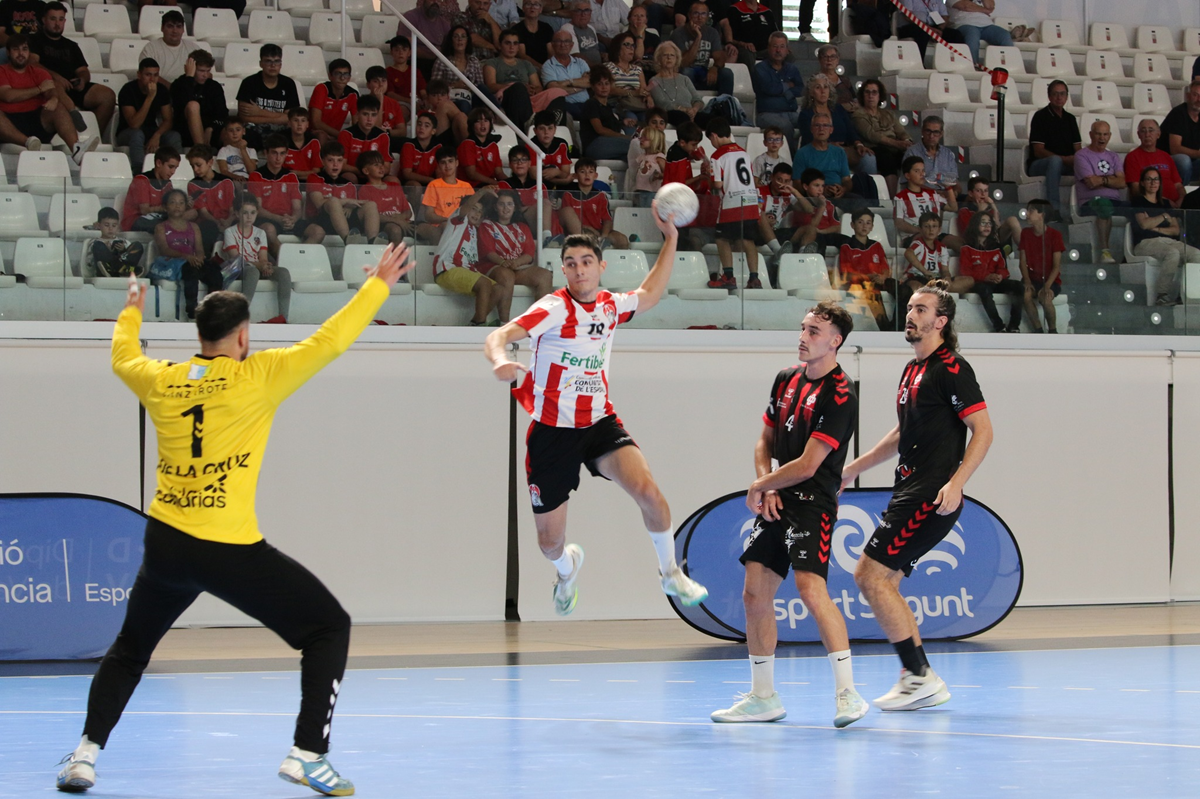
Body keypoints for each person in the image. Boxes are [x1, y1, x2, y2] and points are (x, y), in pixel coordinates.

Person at [53, 241, 411, 796]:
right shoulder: (258, 376)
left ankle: (84, 756)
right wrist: (379, 283)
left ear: (200, 336)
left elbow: (122, 357)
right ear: (243, 336)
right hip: (226, 550)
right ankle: (308, 754)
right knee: (327, 627)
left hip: (166, 545)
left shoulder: (162, 379)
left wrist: (131, 306)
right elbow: (331, 339)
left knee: (129, 650)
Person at [483, 209, 708, 616]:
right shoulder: (553, 308)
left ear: (601, 267)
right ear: (564, 271)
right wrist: (500, 359)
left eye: (586, 262)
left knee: (649, 494)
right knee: (549, 543)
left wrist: (671, 238)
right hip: (552, 432)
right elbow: (498, 334)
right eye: (570, 264)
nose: (579, 270)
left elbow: (651, 293)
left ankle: (671, 572)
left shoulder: (610, 306)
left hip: (599, 423)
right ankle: (567, 571)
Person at [711, 302, 866, 727]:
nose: (803, 336)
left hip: (813, 502)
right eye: (802, 328)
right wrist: (766, 482)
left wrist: (764, 486)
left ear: (835, 341)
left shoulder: (841, 393)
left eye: (814, 331)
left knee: (811, 590)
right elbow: (764, 441)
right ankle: (764, 697)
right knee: (754, 592)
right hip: (777, 498)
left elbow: (810, 463)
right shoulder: (785, 379)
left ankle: (848, 694)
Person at [840, 281, 992, 712]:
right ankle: (915, 675)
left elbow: (984, 431)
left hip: (931, 493)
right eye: (909, 307)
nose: (911, 314)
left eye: (921, 309)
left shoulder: (952, 368)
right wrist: (853, 469)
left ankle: (920, 676)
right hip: (908, 487)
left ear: (940, 322)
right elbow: (902, 433)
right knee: (885, 581)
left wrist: (957, 482)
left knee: (868, 575)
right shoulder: (912, 370)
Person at [0, 33, 95, 161]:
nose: (21, 53)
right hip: (10, 122)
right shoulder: (2, 70)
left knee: (58, 108)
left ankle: (76, 149)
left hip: (37, 120)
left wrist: (54, 99)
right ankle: (28, 142)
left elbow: (51, 90)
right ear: (8, 52)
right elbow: (8, 96)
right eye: (16, 49)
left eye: (24, 49)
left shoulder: (39, 72)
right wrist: (38, 89)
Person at [28, 2, 115, 133]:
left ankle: (92, 134)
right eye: (53, 19)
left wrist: (82, 80)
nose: (57, 23)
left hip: (71, 86)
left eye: (61, 19)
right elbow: (33, 63)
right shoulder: (34, 40)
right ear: (43, 20)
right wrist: (56, 77)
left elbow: (83, 70)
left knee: (107, 95)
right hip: (48, 87)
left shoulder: (71, 45)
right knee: (54, 83)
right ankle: (73, 114)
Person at [433, 190, 508, 324]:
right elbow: (466, 207)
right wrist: (482, 191)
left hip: (467, 272)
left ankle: (474, 323)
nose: (477, 214)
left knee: (499, 290)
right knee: (484, 284)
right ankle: (480, 322)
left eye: (480, 211)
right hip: (448, 269)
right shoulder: (457, 221)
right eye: (474, 209)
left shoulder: (475, 230)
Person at [1131, 166, 1200, 306]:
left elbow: (1175, 230)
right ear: (1142, 183)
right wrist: (1163, 217)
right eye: (1149, 179)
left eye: (1156, 179)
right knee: (1172, 254)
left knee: (1197, 254)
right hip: (1145, 242)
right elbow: (1144, 225)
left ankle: (1187, 294)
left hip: (1169, 241)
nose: (1153, 182)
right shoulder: (1138, 201)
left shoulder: (1167, 203)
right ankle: (1162, 296)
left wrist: (1155, 226)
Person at [480, 188, 553, 317]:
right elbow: (488, 253)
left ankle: (542, 321)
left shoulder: (523, 227)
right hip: (494, 268)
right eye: (501, 204)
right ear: (495, 207)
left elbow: (529, 254)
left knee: (545, 275)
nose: (506, 208)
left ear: (515, 207)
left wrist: (516, 262)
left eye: (510, 204)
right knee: (507, 275)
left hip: (517, 268)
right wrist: (504, 262)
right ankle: (504, 323)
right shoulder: (486, 225)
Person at [706, 117, 760, 289]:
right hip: (750, 202)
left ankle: (728, 277)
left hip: (732, 203)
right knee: (748, 239)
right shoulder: (744, 153)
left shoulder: (717, 156)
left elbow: (718, 184)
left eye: (710, 140)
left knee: (721, 238)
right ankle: (754, 278)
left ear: (714, 136)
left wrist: (708, 176)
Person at [223, 194, 292, 323]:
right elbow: (236, 258)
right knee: (252, 271)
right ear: (237, 214)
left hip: (256, 268)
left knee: (283, 272)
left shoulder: (260, 233)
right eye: (245, 213)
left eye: (253, 213)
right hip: (237, 269)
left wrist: (266, 266)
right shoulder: (230, 232)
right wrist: (259, 266)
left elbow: (263, 257)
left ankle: (283, 317)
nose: (249, 217)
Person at [303, 142, 380, 246]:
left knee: (371, 205)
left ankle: (373, 241)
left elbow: (353, 205)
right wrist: (346, 201)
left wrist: (350, 206)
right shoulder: (314, 178)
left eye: (339, 160)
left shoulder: (349, 184)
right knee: (333, 201)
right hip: (319, 220)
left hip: (344, 219)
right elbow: (319, 203)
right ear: (323, 161)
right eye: (330, 160)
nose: (335, 164)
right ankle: (347, 239)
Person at [155, 188, 215, 319]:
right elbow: (164, 249)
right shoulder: (161, 227)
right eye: (173, 202)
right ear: (165, 207)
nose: (177, 206)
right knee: (190, 271)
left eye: (181, 203)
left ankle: (212, 309)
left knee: (214, 272)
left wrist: (199, 257)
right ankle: (192, 310)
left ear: (186, 206)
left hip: (192, 261)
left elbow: (199, 248)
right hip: (173, 263)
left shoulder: (194, 226)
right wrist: (187, 257)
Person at [799, 73, 874, 174]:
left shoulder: (838, 109)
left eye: (826, 87)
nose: (823, 91)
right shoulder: (806, 114)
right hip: (819, 152)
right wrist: (830, 145)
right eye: (818, 87)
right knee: (838, 154)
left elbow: (850, 130)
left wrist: (858, 144)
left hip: (844, 150)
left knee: (868, 158)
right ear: (811, 93)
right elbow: (809, 138)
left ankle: (866, 187)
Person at [1026, 80, 1080, 217]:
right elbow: (1038, 151)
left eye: (1062, 94)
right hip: (1039, 164)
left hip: (1065, 164)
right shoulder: (1040, 117)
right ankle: (1054, 210)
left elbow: (1078, 149)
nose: (1059, 97)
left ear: (1067, 97)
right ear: (1049, 96)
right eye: (1055, 94)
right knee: (1055, 161)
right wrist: (1063, 159)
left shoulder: (1070, 119)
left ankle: (1083, 209)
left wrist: (1076, 160)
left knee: (1085, 163)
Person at [960, 211, 1022, 332]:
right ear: (975, 225)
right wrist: (986, 277)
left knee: (1019, 286)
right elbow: (965, 272)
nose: (987, 226)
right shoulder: (966, 248)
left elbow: (1004, 269)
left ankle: (1014, 326)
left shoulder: (996, 247)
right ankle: (998, 325)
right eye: (983, 223)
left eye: (989, 224)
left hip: (995, 281)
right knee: (984, 289)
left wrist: (1000, 276)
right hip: (978, 282)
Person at [1074, 118, 1125, 264]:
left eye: (1105, 134)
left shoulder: (1113, 156)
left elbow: (1122, 182)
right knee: (1103, 204)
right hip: (1090, 202)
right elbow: (1091, 183)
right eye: (1098, 134)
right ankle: (1105, 252)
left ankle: (1129, 255)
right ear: (1090, 135)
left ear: (1109, 136)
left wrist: (1102, 180)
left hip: (1115, 201)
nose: (1102, 138)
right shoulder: (1081, 155)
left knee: (1137, 209)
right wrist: (1112, 179)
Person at [850, 78, 912, 197]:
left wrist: (907, 142)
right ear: (862, 95)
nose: (870, 95)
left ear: (880, 96)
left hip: (895, 147)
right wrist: (897, 144)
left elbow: (902, 132)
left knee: (911, 157)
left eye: (874, 92)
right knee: (886, 157)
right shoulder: (858, 115)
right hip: (875, 148)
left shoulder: (888, 114)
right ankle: (893, 198)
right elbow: (872, 135)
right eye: (867, 92)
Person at [118, 58, 181, 172]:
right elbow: (134, 124)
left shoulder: (161, 90)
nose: (152, 79)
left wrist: (156, 135)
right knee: (137, 134)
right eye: (148, 75)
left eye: (155, 75)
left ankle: (178, 171)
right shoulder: (128, 90)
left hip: (151, 130)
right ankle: (139, 172)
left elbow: (168, 120)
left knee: (174, 136)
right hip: (126, 132)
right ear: (139, 75)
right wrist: (150, 97)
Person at [835, 207, 893, 328]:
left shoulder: (877, 245)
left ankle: (900, 324)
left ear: (872, 226)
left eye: (868, 223)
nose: (864, 226)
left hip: (879, 281)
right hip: (861, 283)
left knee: (903, 289)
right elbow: (847, 275)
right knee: (871, 290)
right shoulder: (847, 247)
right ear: (852, 225)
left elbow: (886, 269)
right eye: (860, 222)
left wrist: (883, 276)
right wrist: (868, 276)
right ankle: (886, 327)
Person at [236, 44, 301, 149]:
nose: (273, 65)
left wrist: (259, 112)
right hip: (254, 129)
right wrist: (279, 116)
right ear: (261, 63)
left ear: (281, 64)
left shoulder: (288, 84)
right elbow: (244, 117)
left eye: (276, 61)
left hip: (281, 130)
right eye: (268, 61)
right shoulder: (249, 82)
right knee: (248, 135)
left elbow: (290, 118)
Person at [248, 134, 303, 258]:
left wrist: (293, 219)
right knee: (269, 229)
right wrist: (279, 219)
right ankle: (289, 262)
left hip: (288, 220)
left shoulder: (291, 176)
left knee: (317, 231)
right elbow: (258, 209)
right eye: (274, 153)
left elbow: (298, 208)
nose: (278, 158)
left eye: (282, 153)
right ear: (266, 153)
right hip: (268, 219)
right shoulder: (256, 176)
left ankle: (301, 259)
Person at [558, 157, 627, 247]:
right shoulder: (568, 195)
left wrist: (603, 236)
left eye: (591, 172)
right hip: (578, 233)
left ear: (595, 175)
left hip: (598, 232)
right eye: (582, 172)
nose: (587, 175)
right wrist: (590, 229)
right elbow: (568, 223)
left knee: (622, 240)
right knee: (586, 235)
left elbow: (607, 220)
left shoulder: (601, 196)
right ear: (575, 176)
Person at [1017, 198, 1063, 333]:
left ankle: (1053, 330)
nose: (1027, 213)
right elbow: (1022, 261)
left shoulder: (1055, 235)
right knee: (1026, 296)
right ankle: (1038, 329)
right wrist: (1026, 280)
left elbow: (1056, 266)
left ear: (1041, 214)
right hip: (1032, 279)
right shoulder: (1025, 233)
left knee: (1046, 298)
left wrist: (1047, 286)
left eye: (1031, 210)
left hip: (1051, 280)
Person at [752, 33, 802, 155]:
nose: (778, 50)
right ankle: (792, 159)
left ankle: (809, 157)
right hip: (767, 114)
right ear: (769, 48)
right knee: (785, 126)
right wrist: (788, 86)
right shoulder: (760, 68)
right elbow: (769, 88)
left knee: (809, 120)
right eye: (775, 46)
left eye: (782, 47)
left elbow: (800, 89)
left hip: (791, 113)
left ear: (787, 50)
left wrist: (780, 89)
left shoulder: (792, 69)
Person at [793, 112, 854, 210]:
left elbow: (846, 180)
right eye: (817, 125)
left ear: (831, 130)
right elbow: (797, 183)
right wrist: (819, 190)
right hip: (814, 198)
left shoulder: (839, 152)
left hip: (838, 196)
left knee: (860, 203)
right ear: (811, 129)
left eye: (825, 125)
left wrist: (843, 189)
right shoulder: (802, 153)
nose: (821, 129)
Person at [483, 30, 542, 129]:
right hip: (505, 98)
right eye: (507, 43)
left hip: (529, 97)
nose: (512, 47)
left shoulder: (526, 64)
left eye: (515, 43)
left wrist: (531, 90)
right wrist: (518, 87)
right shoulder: (492, 63)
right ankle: (527, 125)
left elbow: (538, 87)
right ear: (500, 45)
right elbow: (491, 86)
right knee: (518, 87)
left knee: (557, 92)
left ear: (518, 46)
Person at [669, 2, 732, 95]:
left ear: (707, 17)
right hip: (684, 72)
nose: (700, 17)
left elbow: (720, 57)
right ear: (689, 15)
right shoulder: (678, 33)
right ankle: (688, 106)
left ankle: (724, 104)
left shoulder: (712, 32)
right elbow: (684, 63)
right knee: (687, 71)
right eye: (696, 13)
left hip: (704, 72)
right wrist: (698, 37)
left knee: (727, 73)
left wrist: (714, 68)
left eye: (703, 14)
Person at [417, 146, 476, 243]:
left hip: (462, 225)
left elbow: (473, 210)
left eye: (450, 161)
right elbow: (429, 215)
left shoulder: (466, 186)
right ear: (439, 165)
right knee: (447, 227)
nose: (447, 165)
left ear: (456, 163)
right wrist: (448, 220)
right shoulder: (434, 185)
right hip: (441, 225)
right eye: (443, 162)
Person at [894, 155, 958, 245]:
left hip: (935, 235)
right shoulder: (900, 197)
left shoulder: (931, 194)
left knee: (959, 243)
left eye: (923, 170)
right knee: (926, 240)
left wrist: (948, 187)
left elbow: (953, 207)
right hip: (914, 236)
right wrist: (922, 230)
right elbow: (899, 223)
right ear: (907, 175)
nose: (922, 174)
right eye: (917, 171)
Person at [187, 143, 237, 255]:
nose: (195, 169)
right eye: (192, 166)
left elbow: (232, 207)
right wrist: (218, 223)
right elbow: (202, 212)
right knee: (208, 227)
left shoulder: (226, 181)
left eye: (198, 165)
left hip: (228, 220)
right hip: (208, 222)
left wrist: (228, 222)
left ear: (210, 162)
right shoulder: (193, 184)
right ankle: (206, 260)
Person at [171, 49, 226, 149]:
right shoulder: (179, 84)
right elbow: (182, 107)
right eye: (201, 71)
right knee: (193, 105)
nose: (205, 75)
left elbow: (222, 113)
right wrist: (189, 78)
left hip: (212, 129)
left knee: (233, 129)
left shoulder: (214, 86)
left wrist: (211, 127)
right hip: (186, 130)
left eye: (208, 71)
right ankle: (201, 151)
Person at [358, 150, 414, 245]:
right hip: (384, 225)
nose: (381, 167)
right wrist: (397, 221)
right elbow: (371, 216)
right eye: (376, 165)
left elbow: (408, 211)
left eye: (382, 164)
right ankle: (395, 260)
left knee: (429, 229)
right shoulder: (364, 190)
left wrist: (401, 218)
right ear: (366, 171)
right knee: (395, 230)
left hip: (403, 222)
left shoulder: (395, 186)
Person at [1125, 119, 1185, 208]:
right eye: (1143, 131)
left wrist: (1182, 199)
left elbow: (1178, 185)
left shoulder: (1166, 156)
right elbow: (1136, 189)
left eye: (1151, 130)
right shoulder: (1132, 157)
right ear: (1138, 135)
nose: (1147, 134)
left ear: (1158, 134)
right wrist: (1163, 201)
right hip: (1153, 206)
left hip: (1176, 205)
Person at [581, 66, 636, 160]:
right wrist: (624, 137)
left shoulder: (608, 106)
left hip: (608, 144)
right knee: (637, 145)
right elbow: (600, 130)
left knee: (634, 157)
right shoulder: (591, 104)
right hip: (595, 145)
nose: (604, 87)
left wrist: (623, 122)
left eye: (607, 83)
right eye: (599, 84)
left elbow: (609, 124)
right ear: (593, 86)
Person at [121, 147, 180, 232]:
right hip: (137, 220)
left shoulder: (168, 183)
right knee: (168, 227)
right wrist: (164, 208)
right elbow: (144, 210)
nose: (173, 172)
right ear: (159, 163)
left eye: (175, 168)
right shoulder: (141, 180)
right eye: (171, 167)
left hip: (158, 218)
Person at [956, 175, 1021, 250]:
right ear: (971, 193)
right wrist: (980, 211)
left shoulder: (990, 209)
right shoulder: (964, 211)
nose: (983, 194)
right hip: (976, 243)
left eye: (986, 191)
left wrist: (995, 209)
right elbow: (970, 234)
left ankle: (1026, 251)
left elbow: (996, 229)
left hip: (993, 239)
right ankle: (1001, 249)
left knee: (1012, 220)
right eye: (978, 191)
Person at [647, 41, 703, 127]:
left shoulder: (684, 79)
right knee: (682, 117)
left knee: (711, 120)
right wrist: (684, 109)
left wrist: (694, 110)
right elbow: (662, 103)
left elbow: (697, 100)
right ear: (658, 59)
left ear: (677, 59)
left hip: (690, 113)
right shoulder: (654, 81)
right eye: (665, 55)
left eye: (672, 55)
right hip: (670, 114)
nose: (669, 57)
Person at [336, 95, 391, 183]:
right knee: (349, 177)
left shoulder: (383, 136)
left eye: (373, 115)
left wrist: (373, 172)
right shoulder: (346, 134)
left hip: (375, 175)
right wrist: (365, 171)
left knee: (393, 180)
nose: (369, 119)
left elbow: (387, 167)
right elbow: (341, 164)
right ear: (357, 114)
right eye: (365, 114)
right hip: (354, 174)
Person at [902, 115, 959, 199]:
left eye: (936, 132)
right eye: (928, 131)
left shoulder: (948, 154)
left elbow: (955, 181)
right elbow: (910, 183)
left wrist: (954, 192)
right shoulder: (912, 152)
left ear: (941, 134)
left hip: (947, 196)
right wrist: (936, 194)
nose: (931, 136)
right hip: (921, 197)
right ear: (922, 131)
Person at [434, 25, 485, 115]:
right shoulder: (442, 61)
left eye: (463, 36)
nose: (459, 39)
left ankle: (499, 111)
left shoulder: (474, 60)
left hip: (471, 96)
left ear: (467, 40)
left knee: (482, 88)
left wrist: (470, 87)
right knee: (464, 104)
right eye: (456, 36)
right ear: (451, 40)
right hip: (452, 99)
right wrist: (454, 85)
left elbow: (480, 84)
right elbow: (435, 87)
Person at [541, 27, 591, 119]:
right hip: (566, 106)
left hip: (586, 104)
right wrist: (580, 86)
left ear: (572, 45)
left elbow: (590, 81)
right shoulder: (548, 66)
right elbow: (553, 88)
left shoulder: (580, 62)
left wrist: (567, 82)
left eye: (566, 41)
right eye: (559, 41)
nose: (563, 45)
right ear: (552, 45)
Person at [139, 10, 198, 84]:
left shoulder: (194, 48)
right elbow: (147, 75)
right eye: (170, 26)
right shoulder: (150, 48)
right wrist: (173, 90)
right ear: (162, 28)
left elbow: (207, 74)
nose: (175, 31)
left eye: (179, 26)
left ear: (183, 29)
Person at [948, 0, 1012, 68]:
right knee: (973, 35)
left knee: (1004, 35)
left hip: (986, 24)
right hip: (965, 23)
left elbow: (990, 6)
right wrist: (985, 10)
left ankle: (1009, 66)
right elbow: (966, 6)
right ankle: (973, 66)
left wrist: (980, 8)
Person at [308, 59, 357, 146]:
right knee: (322, 135)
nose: (342, 78)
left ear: (349, 77)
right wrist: (340, 135)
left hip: (335, 135)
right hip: (313, 133)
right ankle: (320, 159)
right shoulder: (321, 89)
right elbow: (316, 123)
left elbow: (357, 124)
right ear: (330, 75)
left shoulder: (353, 94)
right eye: (338, 74)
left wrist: (343, 136)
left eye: (345, 74)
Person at [1160, 79, 1200, 186]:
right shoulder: (1178, 114)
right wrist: (1198, 153)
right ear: (1188, 96)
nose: (1199, 99)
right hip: (1165, 162)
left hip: (1192, 162)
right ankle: (1181, 196)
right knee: (1184, 160)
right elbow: (1175, 149)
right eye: (1195, 95)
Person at [86, 207, 145, 278]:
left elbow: (131, 257)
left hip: (123, 266)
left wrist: (123, 250)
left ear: (118, 226)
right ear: (99, 225)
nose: (110, 228)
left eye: (114, 225)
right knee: (98, 246)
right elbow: (89, 263)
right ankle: (115, 269)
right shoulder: (94, 242)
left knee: (137, 245)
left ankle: (122, 269)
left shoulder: (124, 241)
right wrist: (107, 252)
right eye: (106, 225)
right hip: (105, 270)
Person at [894, 0, 965, 59]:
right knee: (922, 33)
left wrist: (940, 29)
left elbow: (945, 16)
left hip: (933, 27)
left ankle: (956, 63)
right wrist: (929, 29)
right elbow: (908, 17)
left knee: (955, 34)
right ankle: (919, 63)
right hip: (911, 26)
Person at [720, 0, 777, 70]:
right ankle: (752, 80)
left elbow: (776, 34)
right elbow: (727, 37)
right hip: (743, 48)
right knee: (748, 54)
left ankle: (783, 80)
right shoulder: (734, 10)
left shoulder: (767, 12)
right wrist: (742, 44)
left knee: (786, 54)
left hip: (764, 50)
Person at [457, 106, 506, 186]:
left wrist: (510, 183)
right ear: (472, 125)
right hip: (472, 188)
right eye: (478, 121)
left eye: (486, 121)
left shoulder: (493, 145)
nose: (483, 124)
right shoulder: (467, 144)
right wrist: (495, 183)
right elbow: (471, 174)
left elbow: (499, 172)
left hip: (490, 186)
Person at [606, 31, 648, 122]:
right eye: (627, 45)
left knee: (649, 119)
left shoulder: (637, 69)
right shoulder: (608, 67)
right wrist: (632, 93)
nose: (631, 48)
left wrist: (648, 97)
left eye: (633, 45)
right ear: (617, 48)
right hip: (618, 105)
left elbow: (644, 89)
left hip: (637, 105)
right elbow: (610, 89)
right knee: (631, 119)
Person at [404, 0, 455, 72]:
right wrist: (433, 54)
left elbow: (448, 48)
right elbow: (406, 47)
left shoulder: (445, 24)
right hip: (415, 62)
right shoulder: (410, 17)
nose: (435, 2)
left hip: (437, 63)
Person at [529, 108, 575, 186]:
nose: (546, 132)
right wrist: (561, 180)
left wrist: (557, 172)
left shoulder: (562, 144)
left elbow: (566, 174)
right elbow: (535, 177)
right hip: (538, 187)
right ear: (535, 130)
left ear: (555, 129)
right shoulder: (530, 145)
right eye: (541, 128)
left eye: (550, 128)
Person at [385, 36, 426, 114]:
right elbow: (390, 94)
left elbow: (423, 91)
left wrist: (426, 100)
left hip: (418, 103)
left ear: (409, 53)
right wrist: (409, 101)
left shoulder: (415, 71)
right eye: (397, 50)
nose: (401, 53)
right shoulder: (387, 72)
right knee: (402, 110)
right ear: (391, 52)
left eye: (404, 49)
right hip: (400, 103)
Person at [401, 110, 440, 187]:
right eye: (419, 124)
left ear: (433, 131)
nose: (421, 128)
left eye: (426, 125)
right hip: (410, 182)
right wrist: (430, 180)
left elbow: (440, 172)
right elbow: (407, 174)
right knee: (416, 186)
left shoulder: (438, 147)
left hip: (431, 182)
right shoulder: (408, 146)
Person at [512, 0, 555, 67]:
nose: (532, 7)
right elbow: (522, 55)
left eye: (536, 5)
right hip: (525, 67)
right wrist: (540, 67)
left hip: (547, 67)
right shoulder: (516, 29)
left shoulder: (546, 28)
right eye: (528, 4)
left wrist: (549, 67)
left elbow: (551, 52)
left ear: (541, 9)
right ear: (523, 8)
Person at [283, 107, 321, 180]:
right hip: (288, 182)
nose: (299, 124)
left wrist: (296, 173)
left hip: (309, 182)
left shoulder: (314, 142)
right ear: (289, 123)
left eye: (303, 121)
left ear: (307, 124)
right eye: (296, 120)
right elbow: (281, 172)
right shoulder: (282, 142)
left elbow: (317, 171)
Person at [633, 125, 665, 204]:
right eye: (641, 137)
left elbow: (668, 174)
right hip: (639, 190)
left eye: (646, 138)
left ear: (655, 141)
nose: (642, 140)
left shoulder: (659, 157)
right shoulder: (641, 157)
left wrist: (659, 175)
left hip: (652, 192)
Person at [625, 4, 659, 74]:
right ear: (629, 19)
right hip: (632, 74)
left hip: (653, 73)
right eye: (635, 16)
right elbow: (638, 57)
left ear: (646, 20)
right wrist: (639, 35)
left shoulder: (654, 38)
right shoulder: (623, 38)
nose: (639, 18)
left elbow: (660, 59)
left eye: (642, 16)